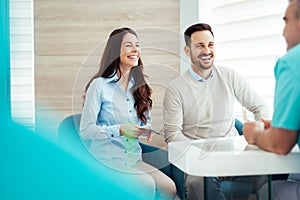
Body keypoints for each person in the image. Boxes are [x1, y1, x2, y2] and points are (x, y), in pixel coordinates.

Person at [163, 23, 269, 200]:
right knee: (199, 183)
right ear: (187, 50)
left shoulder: (229, 76)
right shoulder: (176, 89)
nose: (207, 50)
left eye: (210, 44)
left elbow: (260, 108)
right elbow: (172, 134)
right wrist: (207, 158)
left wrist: (256, 134)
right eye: (200, 45)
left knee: (269, 170)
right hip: (199, 157)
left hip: (233, 154)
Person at [80, 27, 176, 200]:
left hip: (133, 160)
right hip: (107, 160)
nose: (135, 50)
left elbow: (142, 123)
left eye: (137, 45)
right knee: (145, 185)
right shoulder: (99, 86)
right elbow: (86, 131)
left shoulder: (139, 86)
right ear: (115, 51)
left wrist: (145, 129)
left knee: (169, 188)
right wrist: (120, 129)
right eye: (128, 45)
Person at [243, 0, 300, 199]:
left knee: (267, 190)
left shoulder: (293, 61)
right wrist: (281, 125)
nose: (283, 32)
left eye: (286, 21)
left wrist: (256, 134)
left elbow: (279, 144)